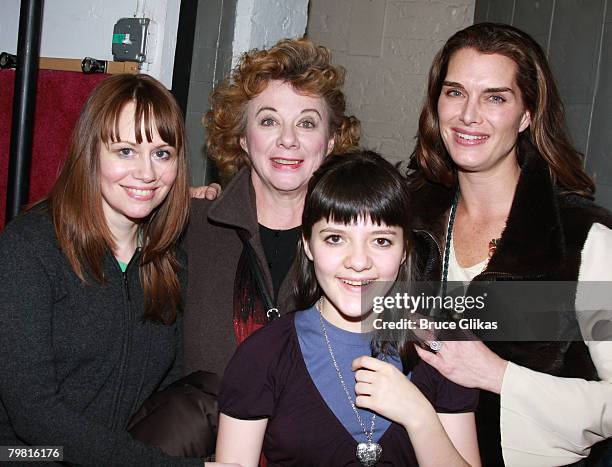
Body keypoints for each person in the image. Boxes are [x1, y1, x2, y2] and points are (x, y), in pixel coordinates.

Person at [406, 22, 612, 466]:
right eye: (455, 92)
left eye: (495, 97)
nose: (468, 115)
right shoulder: (408, 217)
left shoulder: (581, 241)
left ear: (527, 115)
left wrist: (499, 376)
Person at [215, 151, 481, 466]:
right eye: (335, 239)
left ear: (405, 249)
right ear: (308, 245)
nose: (358, 262)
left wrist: (420, 418)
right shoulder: (263, 355)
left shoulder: (443, 347)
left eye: (381, 241)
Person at [0, 73, 209, 465]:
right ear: (91, 152)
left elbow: (168, 388)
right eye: (126, 151)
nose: (147, 173)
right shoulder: (30, 248)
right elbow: (34, 415)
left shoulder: (169, 261)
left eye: (162, 153)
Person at [183, 38, 360, 377]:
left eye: (307, 123)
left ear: (332, 141)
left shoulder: (364, 243)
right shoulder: (192, 228)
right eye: (268, 121)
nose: (288, 139)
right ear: (243, 138)